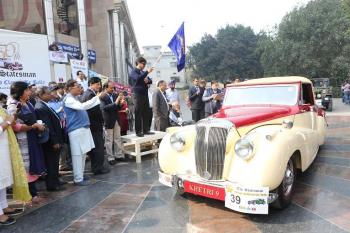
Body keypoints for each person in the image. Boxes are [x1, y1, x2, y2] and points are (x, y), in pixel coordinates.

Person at [7, 81, 46, 202]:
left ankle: (33, 193)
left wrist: (37, 126)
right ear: (21, 92)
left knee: (31, 164)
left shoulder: (27, 102)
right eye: (27, 90)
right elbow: (15, 126)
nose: (29, 92)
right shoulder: (13, 105)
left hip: (31, 139)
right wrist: (33, 127)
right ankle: (28, 195)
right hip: (21, 140)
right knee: (25, 166)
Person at [63, 79, 100, 185]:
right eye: (77, 86)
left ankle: (81, 175)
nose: (80, 88)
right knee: (77, 155)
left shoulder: (74, 98)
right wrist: (97, 98)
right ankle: (78, 179)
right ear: (70, 88)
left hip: (82, 129)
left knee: (83, 153)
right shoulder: (68, 99)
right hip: (76, 130)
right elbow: (82, 106)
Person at [0, 106, 31, 226]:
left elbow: (9, 121)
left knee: (3, 181)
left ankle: (4, 206)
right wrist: (7, 121)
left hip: (4, 149)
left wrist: (12, 118)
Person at [35, 87, 65, 191]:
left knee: (55, 162)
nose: (51, 95)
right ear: (41, 95)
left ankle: (56, 180)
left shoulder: (44, 105)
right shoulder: (40, 107)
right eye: (48, 94)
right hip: (50, 141)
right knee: (51, 162)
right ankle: (52, 185)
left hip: (55, 138)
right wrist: (54, 141)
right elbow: (48, 126)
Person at [80, 77, 110, 175]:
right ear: (91, 84)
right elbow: (94, 111)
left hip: (92, 125)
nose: (99, 86)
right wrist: (102, 121)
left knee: (96, 148)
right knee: (98, 147)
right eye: (97, 84)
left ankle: (96, 167)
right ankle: (97, 168)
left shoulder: (88, 94)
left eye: (100, 84)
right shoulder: (89, 95)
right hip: (94, 125)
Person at [100, 81, 124, 165]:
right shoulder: (102, 96)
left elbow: (117, 107)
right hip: (108, 120)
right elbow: (104, 108)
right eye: (111, 88)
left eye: (113, 88)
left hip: (116, 119)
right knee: (109, 140)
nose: (113, 89)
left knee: (117, 138)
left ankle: (119, 155)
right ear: (106, 88)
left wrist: (120, 104)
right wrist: (116, 103)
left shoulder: (115, 95)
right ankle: (110, 158)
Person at [129, 57, 154, 137]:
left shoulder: (142, 72)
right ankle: (138, 131)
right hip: (137, 94)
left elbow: (150, 80)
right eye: (143, 64)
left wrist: (148, 81)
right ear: (138, 63)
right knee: (138, 113)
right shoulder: (134, 72)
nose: (144, 65)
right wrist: (147, 72)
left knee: (146, 112)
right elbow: (137, 78)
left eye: (145, 64)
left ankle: (146, 129)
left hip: (145, 94)